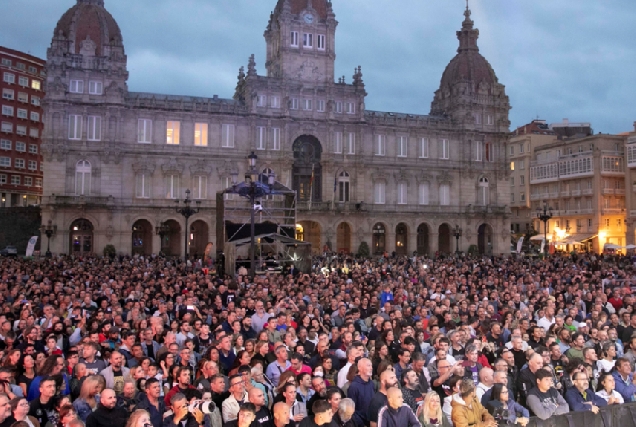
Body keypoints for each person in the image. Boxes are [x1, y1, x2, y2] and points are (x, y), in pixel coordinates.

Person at [346, 358, 374, 427]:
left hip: (371, 420)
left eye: (371, 366)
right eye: (368, 365)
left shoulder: (371, 383)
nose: (371, 368)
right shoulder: (354, 386)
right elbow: (352, 409)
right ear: (360, 368)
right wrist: (362, 424)